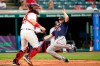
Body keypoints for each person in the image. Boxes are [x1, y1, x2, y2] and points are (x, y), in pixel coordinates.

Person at [12, 0, 45, 66]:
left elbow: (31, 24)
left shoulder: (27, 14)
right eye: (36, 8)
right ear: (33, 8)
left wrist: (38, 29)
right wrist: (41, 27)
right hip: (28, 31)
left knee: (24, 48)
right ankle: (28, 57)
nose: (37, 9)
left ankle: (15, 61)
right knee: (37, 47)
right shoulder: (32, 14)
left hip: (23, 31)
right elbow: (32, 21)